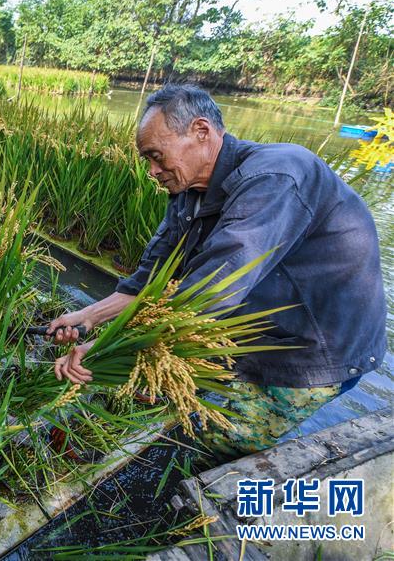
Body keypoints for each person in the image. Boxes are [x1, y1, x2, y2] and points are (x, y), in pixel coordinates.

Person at [47, 84, 387, 461]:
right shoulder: (188, 192)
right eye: (147, 160)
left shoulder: (276, 177)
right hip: (243, 325)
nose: (152, 171)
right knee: (161, 397)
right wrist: (86, 317)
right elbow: (150, 277)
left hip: (311, 347)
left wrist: (106, 349)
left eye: (156, 156)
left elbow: (213, 290)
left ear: (201, 131)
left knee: (214, 442)